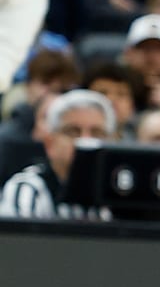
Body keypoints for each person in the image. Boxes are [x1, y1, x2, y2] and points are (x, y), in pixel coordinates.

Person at [0, 88, 111, 219]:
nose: (85, 141)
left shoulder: (117, 192)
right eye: (73, 132)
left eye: (96, 133)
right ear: (49, 143)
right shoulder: (28, 189)